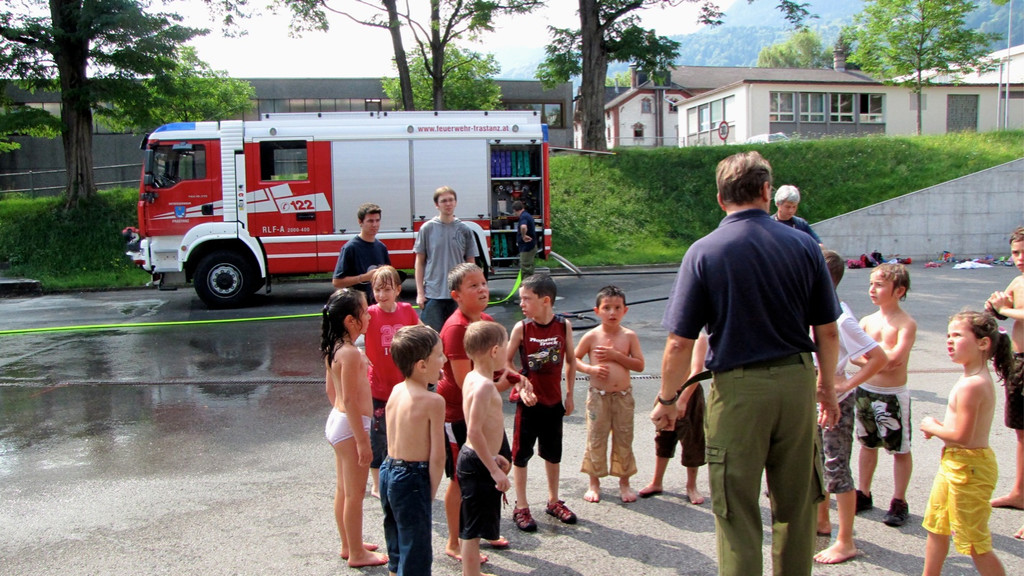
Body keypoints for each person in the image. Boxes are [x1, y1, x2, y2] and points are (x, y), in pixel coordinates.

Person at [649, 151, 841, 576]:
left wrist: (668, 400)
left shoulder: (704, 251)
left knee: (736, 508)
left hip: (737, 389)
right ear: (767, 192)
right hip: (796, 381)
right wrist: (826, 388)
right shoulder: (805, 246)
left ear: (721, 198)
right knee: (797, 504)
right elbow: (828, 331)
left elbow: (679, 342)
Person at [436, 263, 528, 562]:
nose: (482, 289)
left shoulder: (486, 321)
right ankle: (455, 540)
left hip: (486, 413)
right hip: (458, 415)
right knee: (460, 479)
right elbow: (467, 383)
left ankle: (485, 529)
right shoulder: (456, 328)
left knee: (500, 464)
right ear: (456, 295)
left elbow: (498, 367)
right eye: (473, 286)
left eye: (484, 283)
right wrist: (503, 385)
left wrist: (518, 379)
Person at [920, 310, 1013, 576]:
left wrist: (932, 427)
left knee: (974, 540)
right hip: (956, 463)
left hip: (969, 469)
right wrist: (941, 428)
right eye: (948, 335)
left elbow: (962, 437)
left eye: (958, 335)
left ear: (983, 343)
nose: (949, 341)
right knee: (937, 525)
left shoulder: (973, 384)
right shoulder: (970, 378)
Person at [814, 249, 889, 565]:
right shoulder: (816, 309)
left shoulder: (840, 318)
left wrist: (845, 385)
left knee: (836, 468)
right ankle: (822, 521)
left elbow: (878, 357)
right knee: (819, 463)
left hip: (835, 405)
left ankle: (845, 541)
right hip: (817, 402)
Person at [320, 288, 388, 568]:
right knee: (355, 494)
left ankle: (349, 544)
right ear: (351, 320)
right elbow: (348, 399)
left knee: (343, 489)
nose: (370, 314)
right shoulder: (349, 353)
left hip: (339, 422)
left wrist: (342, 418)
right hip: (351, 426)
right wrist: (361, 440)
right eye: (365, 311)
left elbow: (332, 392)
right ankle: (357, 554)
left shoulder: (335, 348)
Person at [507, 273, 578, 531]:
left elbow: (571, 360)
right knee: (521, 455)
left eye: (527, 299)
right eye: (521, 299)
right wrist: (519, 383)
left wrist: (569, 393)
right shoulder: (522, 328)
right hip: (528, 405)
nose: (522, 304)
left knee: (553, 453)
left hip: (553, 401)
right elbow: (505, 362)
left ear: (545, 300)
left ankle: (553, 500)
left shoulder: (563, 326)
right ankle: (521, 505)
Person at [854, 263, 918, 528]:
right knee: (867, 444)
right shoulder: (866, 321)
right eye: (871, 284)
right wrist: (878, 360)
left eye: (879, 285)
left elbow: (895, 361)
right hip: (866, 391)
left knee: (899, 448)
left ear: (899, 291)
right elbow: (855, 354)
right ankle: (864, 492)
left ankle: (899, 500)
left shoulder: (906, 324)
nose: (872, 289)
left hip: (892, 395)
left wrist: (873, 360)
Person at [380, 325, 446, 576]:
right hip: (412, 478)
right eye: (439, 355)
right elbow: (438, 455)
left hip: (388, 470)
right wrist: (430, 492)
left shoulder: (397, 390)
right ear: (421, 365)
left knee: (397, 543)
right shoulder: (433, 401)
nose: (444, 360)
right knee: (416, 551)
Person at [575, 285, 645, 503]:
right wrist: (590, 369)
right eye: (607, 308)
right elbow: (574, 359)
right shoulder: (591, 336)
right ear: (597, 311)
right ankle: (594, 482)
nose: (612, 313)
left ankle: (624, 482)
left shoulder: (629, 336)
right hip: (598, 397)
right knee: (596, 437)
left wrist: (616, 356)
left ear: (625, 310)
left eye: (617, 308)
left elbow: (639, 365)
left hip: (623, 396)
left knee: (624, 437)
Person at [458, 321, 516, 576]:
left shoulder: (473, 377)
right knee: (471, 527)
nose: (507, 352)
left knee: (475, 520)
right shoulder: (483, 386)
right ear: (494, 351)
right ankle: (470, 573)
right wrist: (493, 469)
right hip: (477, 463)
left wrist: (493, 456)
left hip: (479, 457)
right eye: (505, 347)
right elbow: (473, 430)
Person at [366, 266, 422, 498]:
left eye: (387, 290)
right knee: (378, 436)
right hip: (378, 386)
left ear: (398, 290)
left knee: (404, 432)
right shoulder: (369, 313)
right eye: (377, 290)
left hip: (403, 386)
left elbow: (422, 333)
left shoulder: (407, 310)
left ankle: (402, 475)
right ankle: (376, 483)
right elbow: (351, 334)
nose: (381, 295)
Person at [638, 332, 709, 505]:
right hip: (669, 393)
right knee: (663, 436)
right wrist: (663, 395)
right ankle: (656, 482)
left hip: (689, 395)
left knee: (692, 440)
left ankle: (691, 485)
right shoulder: (674, 336)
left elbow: (696, 370)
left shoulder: (699, 338)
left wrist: (683, 400)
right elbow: (668, 368)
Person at [985, 226, 1024, 512]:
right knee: (1021, 432)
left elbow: (1012, 311)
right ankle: (1019, 493)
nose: (1020, 258)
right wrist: (994, 306)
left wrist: (1005, 310)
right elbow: (1000, 308)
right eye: (1015, 253)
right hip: (1019, 362)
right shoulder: (1018, 281)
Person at [414, 186, 479, 331]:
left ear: (456, 202)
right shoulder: (427, 229)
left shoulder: (464, 230)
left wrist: (473, 290)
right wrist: (420, 293)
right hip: (433, 295)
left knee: (459, 336)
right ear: (437, 205)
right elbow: (419, 262)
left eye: (451, 200)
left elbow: (471, 264)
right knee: (432, 338)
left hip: (458, 294)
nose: (448, 204)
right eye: (443, 201)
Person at [333, 203, 391, 304]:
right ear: (360, 222)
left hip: (378, 305)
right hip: (357, 305)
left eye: (377, 220)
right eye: (370, 221)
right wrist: (364, 277)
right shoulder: (350, 248)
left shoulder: (381, 247)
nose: (374, 225)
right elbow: (337, 282)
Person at [512, 200, 538, 277]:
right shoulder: (527, 215)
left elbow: (523, 227)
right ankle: (529, 283)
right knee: (528, 267)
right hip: (530, 246)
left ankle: (527, 283)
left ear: (515, 210)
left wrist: (523, 236)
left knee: (526, 268)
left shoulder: (523, 217)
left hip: (527, 247)